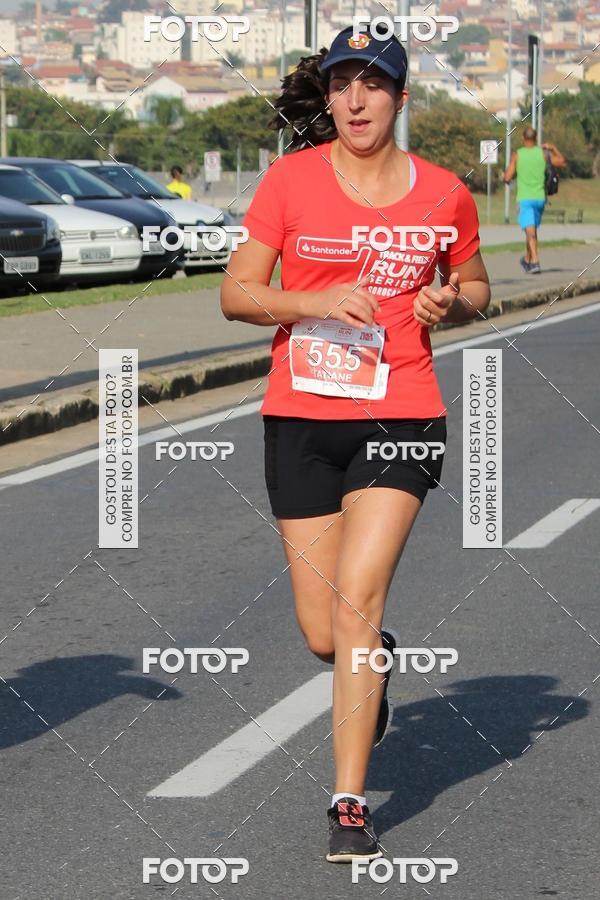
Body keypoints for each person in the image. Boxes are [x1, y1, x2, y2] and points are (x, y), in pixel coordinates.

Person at [221, 24, 490, 863]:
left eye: (374, 83)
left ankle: (347, 805)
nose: (357, 98)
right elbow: (236, 294)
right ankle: (371, 663)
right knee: (322, 631)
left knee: (356, 604)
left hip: (401, 414)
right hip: (300, 418)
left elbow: (476, 281)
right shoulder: (291, 181)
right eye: (343, 83)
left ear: (400, 98)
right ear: (329, 95)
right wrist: (314, 302)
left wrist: (456, 304)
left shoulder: (444, 192)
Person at [503, 126, 566, 274]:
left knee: (530, 232)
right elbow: (562, 162)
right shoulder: (544, 154)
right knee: (531, 231)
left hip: (525, 198)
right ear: (536, 138)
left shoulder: (518, 155)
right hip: (540, 199)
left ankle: (535, 261)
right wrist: (553, 148)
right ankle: (528, 259)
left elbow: (507, 177)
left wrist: (508, 175)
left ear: (523, 139)